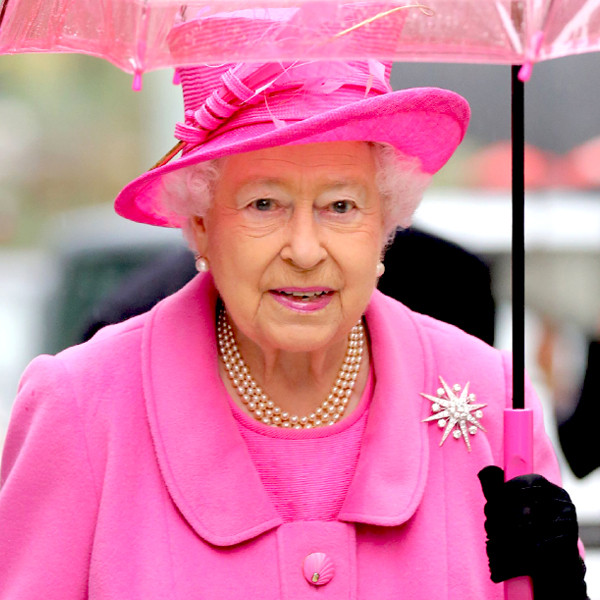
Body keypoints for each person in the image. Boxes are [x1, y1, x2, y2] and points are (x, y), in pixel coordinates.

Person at [0, 49, 587, 600]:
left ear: (385, 222)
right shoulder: (81, 407)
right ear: (201, 225)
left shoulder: (489, 392)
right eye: (264, 204)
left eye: (340, 206)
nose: (305, 250)